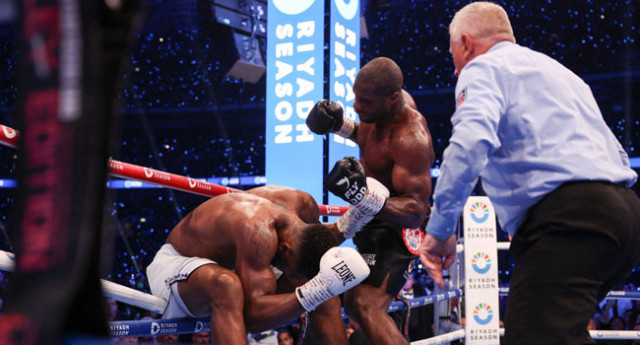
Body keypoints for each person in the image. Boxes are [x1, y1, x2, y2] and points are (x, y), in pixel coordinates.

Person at [418, 2, 640, 344]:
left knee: (532, 336)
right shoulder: (561, 72)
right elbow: (614, 152)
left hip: (572, 222)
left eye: (453, 57)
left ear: (465, 43)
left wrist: (441, 227)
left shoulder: (482, 68)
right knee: (557, 333)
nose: (455, 69)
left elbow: (470, 143)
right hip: (624, 215)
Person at [306, 57, 435, 344]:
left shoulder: (411, 138)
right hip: (372, 221)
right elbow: (372, 139)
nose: (356, 105)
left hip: (398, 229)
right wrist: (338, 125)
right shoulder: (382, 114)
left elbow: (416, 210)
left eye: (364, 101)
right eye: (355, 96)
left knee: (366, 306)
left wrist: (360, 195)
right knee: (353, 303)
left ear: (392, 99)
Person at [146, 185, 370, 345]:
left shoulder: (304, 206)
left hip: (233, 263)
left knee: (326, 291)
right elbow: (252, 317)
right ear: (285, 249)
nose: (288, 274)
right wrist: (315, 290)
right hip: (179, 265)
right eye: (290, 268)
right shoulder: (257, 230)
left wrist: (352, 221)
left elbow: (316, 239)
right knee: (227, 286)